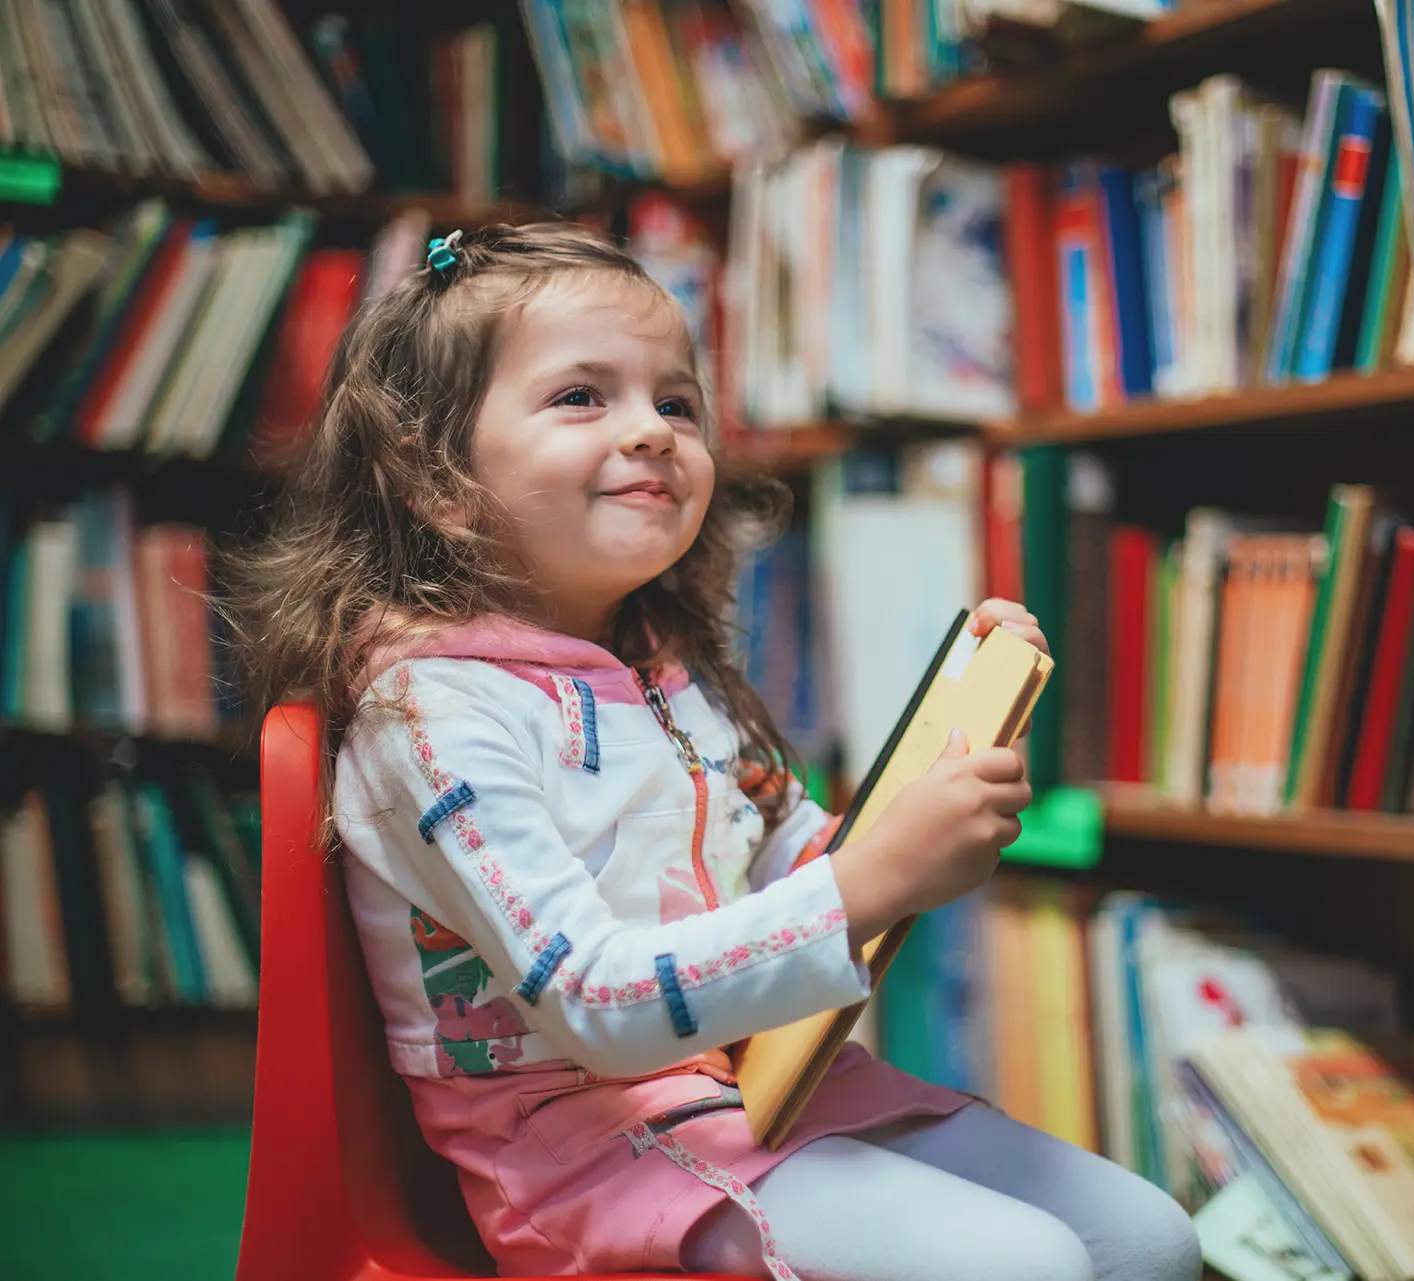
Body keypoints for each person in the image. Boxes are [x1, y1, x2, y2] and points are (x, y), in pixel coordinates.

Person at [231, 222, 1200, 1281]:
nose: (651, 430)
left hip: (761, 1086)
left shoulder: (665, 665)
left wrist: (938, 785)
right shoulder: (429, 717)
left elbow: (792, 851)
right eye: (581, 397)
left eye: (676, 402)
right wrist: (868, 885)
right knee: (1028, 1265)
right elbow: (597, 1005)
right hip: (594, 1153)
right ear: (432, 476)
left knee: (1150, 1239)